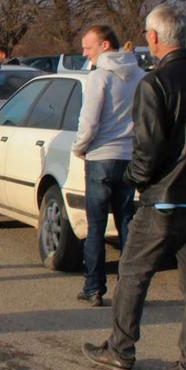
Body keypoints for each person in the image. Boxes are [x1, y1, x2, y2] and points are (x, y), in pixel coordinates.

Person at [82, 4, 186, 370]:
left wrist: (138, 180)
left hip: (162, 199)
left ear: (153, 37)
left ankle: (120, 350)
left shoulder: (155, 83)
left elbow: (147, 150)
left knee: (134, 274)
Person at [70, 25, 144, 307]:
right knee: (127, 224)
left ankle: (94, 287)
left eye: (88, 47)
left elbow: (89, 121)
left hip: (101, 157)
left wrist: (80, 148)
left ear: (105, 45)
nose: (84, 53)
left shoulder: (99, 77)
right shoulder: (140, 75)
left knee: (96, 225)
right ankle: (129, 290)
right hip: (129, 157)